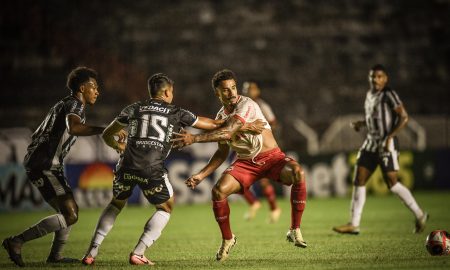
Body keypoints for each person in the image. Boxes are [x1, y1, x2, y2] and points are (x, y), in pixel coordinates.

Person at [81, 73, 265, 266]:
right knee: (166, 207)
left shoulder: (132, 108)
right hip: (151, 169)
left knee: (116, 204)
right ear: (167, 92)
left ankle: (91, 253)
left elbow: (108, 134)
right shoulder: (176, 112)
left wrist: (118, 146)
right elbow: (214, 124)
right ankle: (138, 253)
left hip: (126, 165)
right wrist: (247, 125)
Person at [172, 69, 308, 262]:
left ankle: (294, 229)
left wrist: (194, 138)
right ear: (217, 93)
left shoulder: (247, 104)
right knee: (218, 192)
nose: (232, 93)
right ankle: (228, 239)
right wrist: (201, 175)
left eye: (234, 88)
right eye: (226, 90)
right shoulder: (221, 114)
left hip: (272, 158)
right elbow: (221, 152)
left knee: (297, 172)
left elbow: (228, 132)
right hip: (246, 164)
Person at [1, 67, 123, 267]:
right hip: (45, 165)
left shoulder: (62, 104)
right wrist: (107, 130)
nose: (97, 91)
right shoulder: (75, 104)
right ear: (82, 88)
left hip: (48, 164)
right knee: (70, 214)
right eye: (94, 87)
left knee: (67, 212)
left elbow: (38, 133)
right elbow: (73, 128)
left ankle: (55, 256)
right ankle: (16, 241)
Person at [333, 64, 428, 235]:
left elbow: (404, 117)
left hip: (386, 144)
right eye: (372, 76)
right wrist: (362, 124)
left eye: (379, 76)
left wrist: (390, 136)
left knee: (392, 184)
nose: (375, 79)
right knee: (359, 179)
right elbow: (374, 118)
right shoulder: (370, 95)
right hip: (370, 143)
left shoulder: (388, 94)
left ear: (385, 79)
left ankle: (420, 215)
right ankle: (353, 224)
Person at [240, 81, 281, 223]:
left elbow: (274, 123)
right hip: (246, 146)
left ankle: (274, 208)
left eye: (251, 89)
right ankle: (254, 203)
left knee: (263, 181)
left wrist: (263, 134)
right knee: (236, 179)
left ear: (257, 91)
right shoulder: (240, 106)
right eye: (246, 89)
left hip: (261, 147)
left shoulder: (262, 106)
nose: (248, 91)